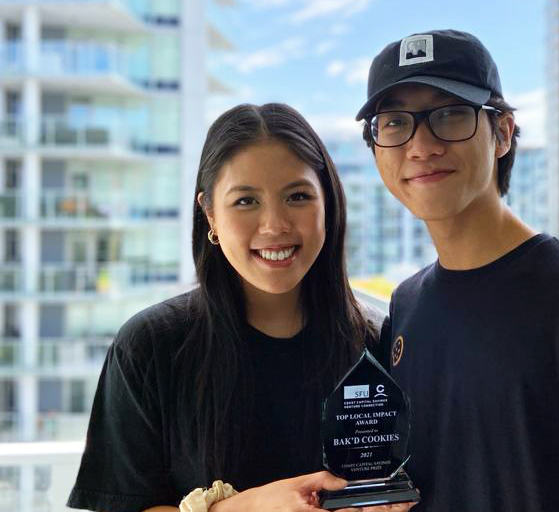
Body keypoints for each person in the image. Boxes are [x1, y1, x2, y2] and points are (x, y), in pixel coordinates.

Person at [356, 30, 559, 511]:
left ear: (503, 133)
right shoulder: (405, 303)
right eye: (394, 123)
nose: (420, 145)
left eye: (449, 115)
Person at [67, 104, 412, 512]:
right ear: (210, 214)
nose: (274, 225)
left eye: (298, 196)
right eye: (246, 201)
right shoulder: (150, 346)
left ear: (329, 205)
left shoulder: (380, 342)